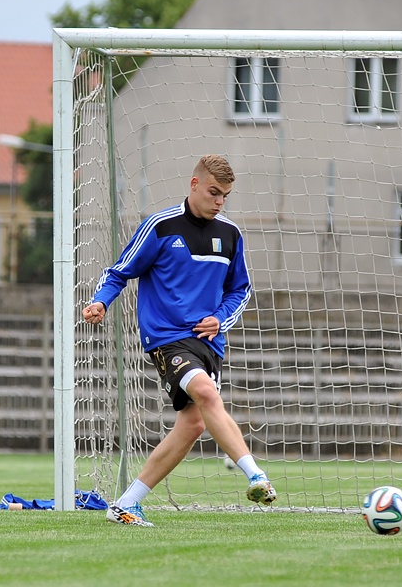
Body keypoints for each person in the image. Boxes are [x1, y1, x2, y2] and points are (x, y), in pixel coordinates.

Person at [82, 154, 276, 527]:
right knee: (206, 394)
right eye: (214, 193)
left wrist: (219, 319)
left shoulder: (230, 234)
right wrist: (99, 302)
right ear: (194, 184)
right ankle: (256, 476)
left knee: (193, 424)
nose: (219, 202)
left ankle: (126, 504)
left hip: (208, 343)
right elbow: (119, 272)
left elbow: (241, 290)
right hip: (167, 337)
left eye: (225, 196)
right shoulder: (160, 226)